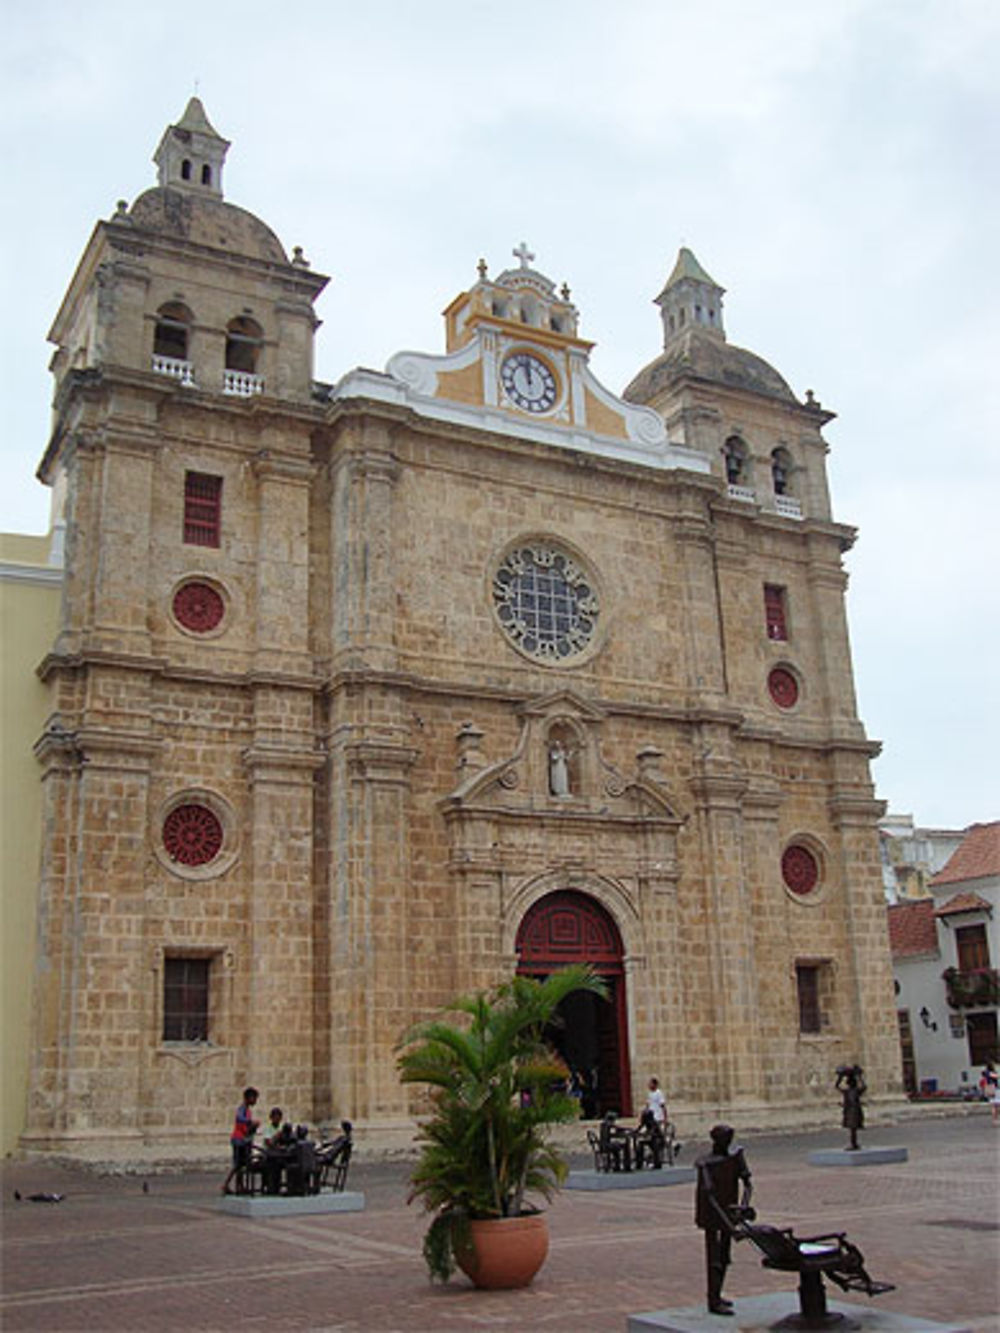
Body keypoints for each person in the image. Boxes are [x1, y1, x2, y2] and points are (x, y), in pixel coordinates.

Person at [695, 1123, 753, 1316]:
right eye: (724, 1140)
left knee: (725, 1257)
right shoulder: (705, 1163)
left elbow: (747, 1185)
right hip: (712, 1215)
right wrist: (730, 1223)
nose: (727, 1143)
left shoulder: (735, 1159)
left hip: (729, 1211)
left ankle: (717, 1295)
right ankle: (713, 1299)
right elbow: (709, 1196)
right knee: (714, 1258)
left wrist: (743, 1207)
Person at [222, 1086, 260, 1194]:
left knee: (242, 1165)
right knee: (238, 1165)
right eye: (254, 1098)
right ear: (248, 1098)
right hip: (239, 1140)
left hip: (244, 1140)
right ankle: (227, 1184)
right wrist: (251, 1122)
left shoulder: (247, 1110)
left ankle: (240, 1186)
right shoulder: (242, 1109)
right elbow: (239, 1119)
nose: (255, 1101)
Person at [835, 1064, 866, 1150]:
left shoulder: (850, 1091)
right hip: (851, 1111)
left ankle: (854, 1144)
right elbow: (864, 1087)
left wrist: (840, 1078)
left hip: (853, 1111)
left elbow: (837, 1086)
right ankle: (854, 1143)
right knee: (852, 1129)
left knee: (853, 1129)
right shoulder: (850, 1091)